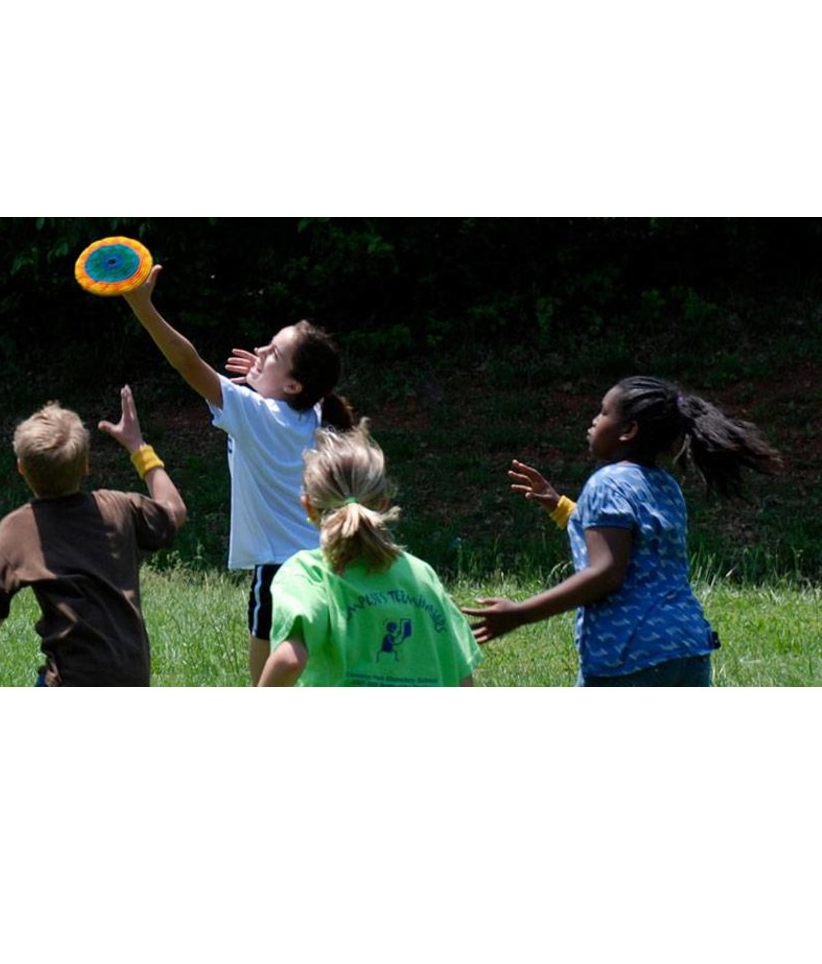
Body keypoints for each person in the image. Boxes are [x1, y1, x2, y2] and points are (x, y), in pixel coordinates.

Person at [466, 375, 782, 686]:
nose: (593, 420)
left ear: (628, 430)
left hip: (630, 651)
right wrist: (557, 504)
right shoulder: (665, 485)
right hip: (688, 644)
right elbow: (621, 537)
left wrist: (521, 613)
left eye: (604, 412)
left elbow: (606, 571)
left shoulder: (606, 483)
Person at [122, 265, 354, 684]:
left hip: (280, 572)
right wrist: (269, 376)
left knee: (264, 687)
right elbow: (303, 392)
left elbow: (186, 363)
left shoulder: (258, 415)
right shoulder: (313, 413)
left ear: (295, 386)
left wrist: (143, 306)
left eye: (273, 354)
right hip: (327, 563)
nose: (260, 352)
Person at [0, 386, 187, 686]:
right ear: (86, 465)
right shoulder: (117, 508)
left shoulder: (19, 529)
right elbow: (174, 511)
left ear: (21, 469)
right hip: (131, 675)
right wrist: (138, 447)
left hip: (71, 680)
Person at [258, 420, 482, 686]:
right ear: (383, 504)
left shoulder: (308, 574)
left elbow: (289, 660)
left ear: (308, 507)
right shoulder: (422, 575)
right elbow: (462, 678)